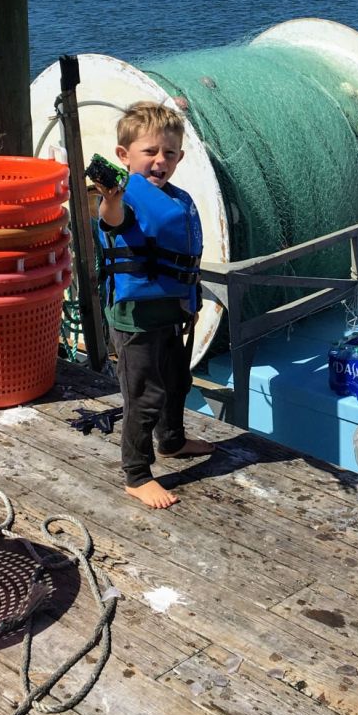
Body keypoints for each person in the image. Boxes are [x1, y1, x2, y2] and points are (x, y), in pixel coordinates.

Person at [92, 101, 214, 509]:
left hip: (171, 312)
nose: (160, 160)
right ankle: (137, 474)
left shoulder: (176, 199)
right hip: (136, 319)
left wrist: (190, 302)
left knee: (177, 382)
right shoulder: (124, 200)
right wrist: (110, 196)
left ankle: (172, 441)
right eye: (150, 152)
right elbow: (113, 218)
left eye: (170, 153)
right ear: (124, 155)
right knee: (144, 396)